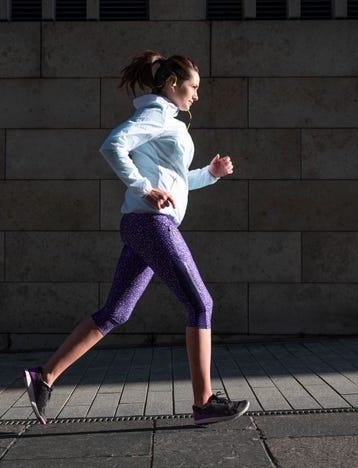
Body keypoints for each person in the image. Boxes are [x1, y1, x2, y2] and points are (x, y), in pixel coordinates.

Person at [23, 50, 249, 426]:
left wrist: (209, 173)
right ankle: (204, 402)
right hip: (153, 224)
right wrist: (144, 188)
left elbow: (175, 183)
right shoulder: (157, 114)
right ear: (173, 84)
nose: (196, 96)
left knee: (116, 312)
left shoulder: (169, 120)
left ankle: (43, 378)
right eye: (192, 87)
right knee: (201, 304)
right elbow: (113, 145)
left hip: (143, 223)